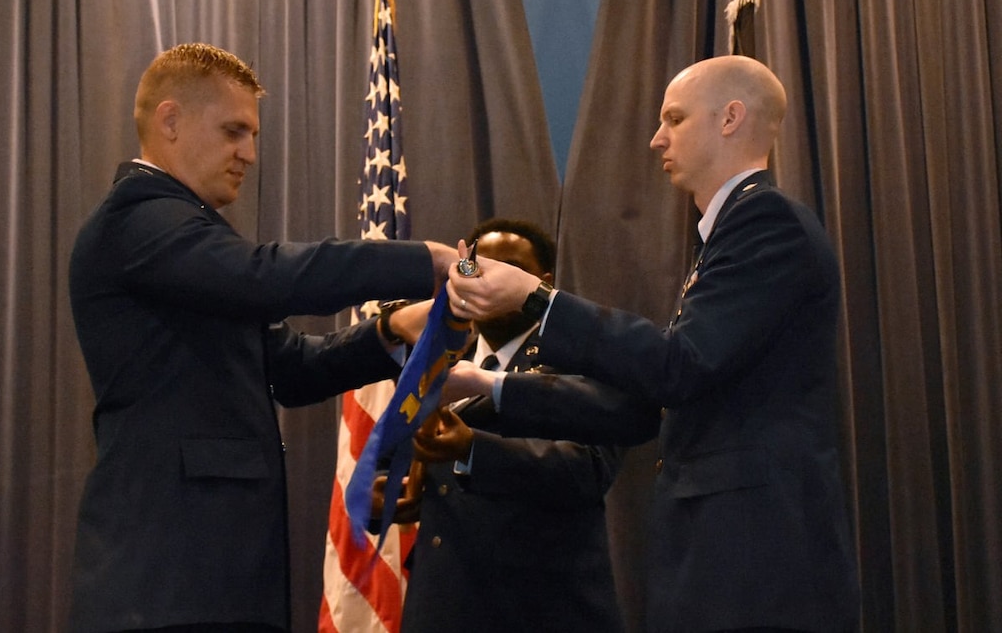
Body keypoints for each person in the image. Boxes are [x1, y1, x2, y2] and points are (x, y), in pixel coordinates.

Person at [445, 55, 860, 632]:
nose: (655, 138)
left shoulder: (766, 222)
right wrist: (479, 382)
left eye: (674, 118)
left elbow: (678, 366)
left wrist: (536, 300)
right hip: (723, 560)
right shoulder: (731, 233)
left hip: (756, 566)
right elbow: (643, 408)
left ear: (730, 118)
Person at [67, 42, 456, 633]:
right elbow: (264, 277)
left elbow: (287, 369)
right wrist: (421, 261)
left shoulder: (186, 237)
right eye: (233, 132)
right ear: (170, 121)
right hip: (166, 584)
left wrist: (388, 331)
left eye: (252, 135)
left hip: (209, 584)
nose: (249, 153)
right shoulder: (138, 219)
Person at [383, 218, 629, 633]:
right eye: (475, 269)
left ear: (542, 282)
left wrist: (472, 450)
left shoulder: (584, 357)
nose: (485, 281)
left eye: (509, 269)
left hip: (543, 609)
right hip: (443, 606)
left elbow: (587, 468)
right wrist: (399, 495)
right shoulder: (438, 355)